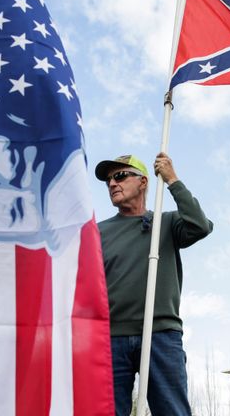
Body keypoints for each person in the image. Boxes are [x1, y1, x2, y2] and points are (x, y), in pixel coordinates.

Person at [95, 152, 213, 416]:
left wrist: (172, 180)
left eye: (121, 175)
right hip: (111, 339)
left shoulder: (166, 222)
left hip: (160, 334)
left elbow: (200, 226)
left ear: (144, 182)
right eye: (108, 181)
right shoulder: (98, 231)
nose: (113, 183)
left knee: (172, 411)